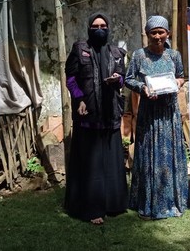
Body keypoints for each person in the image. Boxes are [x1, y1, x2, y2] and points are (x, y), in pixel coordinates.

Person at [64, 12, 128, 225]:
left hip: (110, 114)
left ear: (108, 28)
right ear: (89, 28)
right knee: (91, 164)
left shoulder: (116, 52)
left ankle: (113, 204)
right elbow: (71, 78)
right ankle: (91, 207)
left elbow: (122, 80)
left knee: (110, 162)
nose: (99, 29)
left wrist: (117, 79)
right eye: (95, 26)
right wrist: (80, 99)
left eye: (103, 25)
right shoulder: (79, 49)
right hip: (88, 115)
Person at [125, 15, 189, 219]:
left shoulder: (174, 56)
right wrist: (142, 87)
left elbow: (181, 76)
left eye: (161, 32)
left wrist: (177, 84)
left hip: (169, 114)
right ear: (147, 35)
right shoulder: (139, 56)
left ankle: (171, 202)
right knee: (148, 155)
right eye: (153, 32)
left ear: (167, 33)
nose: (158, 36)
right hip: (149, 114)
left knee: (169, 155)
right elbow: (128, 79)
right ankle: (147, 203)